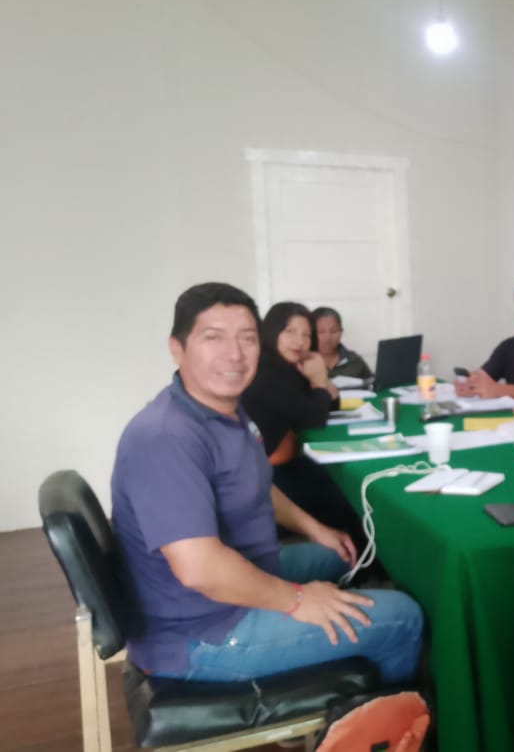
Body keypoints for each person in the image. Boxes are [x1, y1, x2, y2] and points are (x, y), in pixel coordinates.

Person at [110, 282, 422, 683]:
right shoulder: (165, 437)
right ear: (177, 348)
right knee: (404, 617)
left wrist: (316, 529)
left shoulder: (227, 410)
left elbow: (254, 483)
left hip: (241, 575)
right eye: (213, 338)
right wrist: (297, 600)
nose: (234, 354)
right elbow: (201, 569)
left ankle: (347, 668)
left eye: (247, 338)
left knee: (349, 552)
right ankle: (388, 713)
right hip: (202, 632)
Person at [240, 302, 366, 538]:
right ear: (272, 332)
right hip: (266, 479)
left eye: (306, 335)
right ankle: (361, 559)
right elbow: (314, 418)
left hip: (284, 464)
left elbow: (330, 405)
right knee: (354, 500)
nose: (299, 342)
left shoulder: (287, 367)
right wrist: (318, 380)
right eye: (290, 332)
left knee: (349, 483)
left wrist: (321, 377)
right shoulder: (265, 370)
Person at [313, 306, 373, 381]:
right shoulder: (303, 362)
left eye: (333, 331)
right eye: (321, 332)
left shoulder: (354, 360)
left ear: (341, 332)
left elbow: (372, 384)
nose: (328, 338)